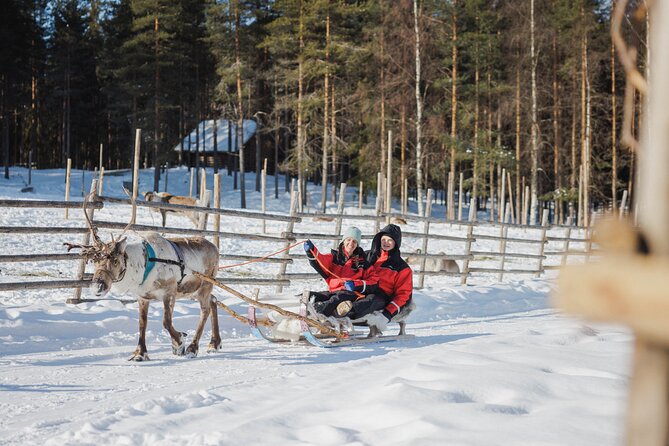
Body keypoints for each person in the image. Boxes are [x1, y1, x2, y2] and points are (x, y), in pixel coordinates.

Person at [344, 224, 413, 332]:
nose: (386, 242)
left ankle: (341, 315)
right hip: (361, 289)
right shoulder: (367, 256)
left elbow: (403, 295)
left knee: (369, 301)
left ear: (396, 242)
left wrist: (387, 314)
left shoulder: (402, 268)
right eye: (383, 239)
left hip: (381, 298)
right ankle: (319, 310)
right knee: (340, 295)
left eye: (390, 240)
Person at [303, 226, 378, 317]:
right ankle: (296, 310)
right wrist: (311, 251)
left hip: (351, 294)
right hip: (333, 292)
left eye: (354, 241)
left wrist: (356, 285)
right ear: (343, 241)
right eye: (348, 240)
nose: (351, 243)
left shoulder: (362, 263)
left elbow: (374, 281)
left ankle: (318, 314)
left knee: (336, 299)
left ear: (357, 245)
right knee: (311, 296)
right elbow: (321, 261)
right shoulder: (335, 257)